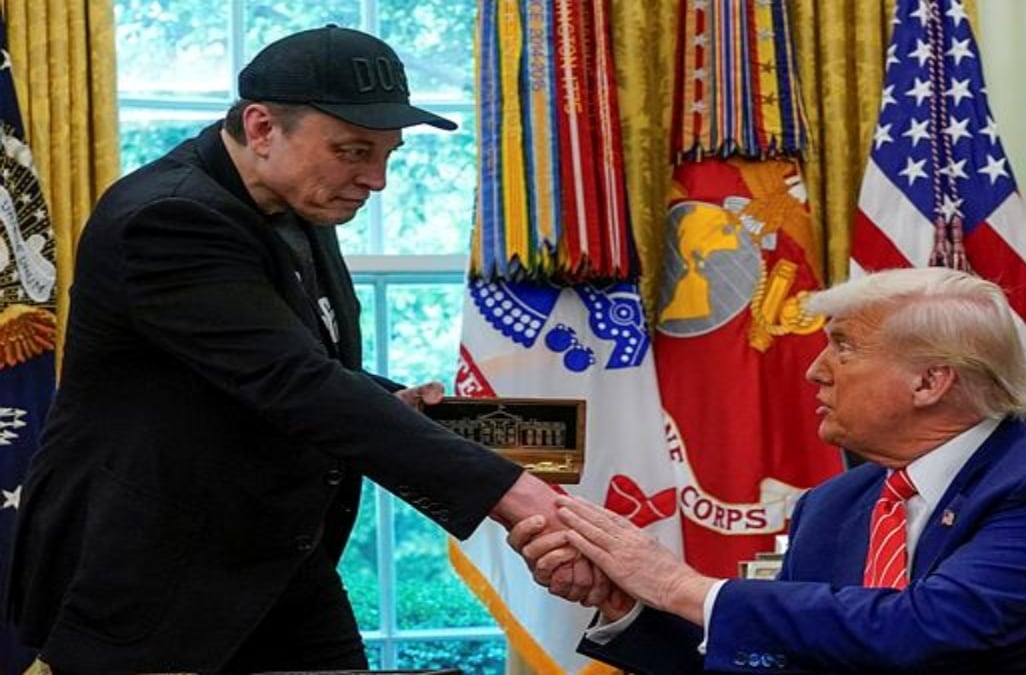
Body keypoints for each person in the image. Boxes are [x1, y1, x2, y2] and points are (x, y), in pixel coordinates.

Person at [1, 26, 603, 673]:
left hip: (273, 556)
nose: (376, 179)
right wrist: (517, 494)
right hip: (149, 572)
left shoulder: (293, 199)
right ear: (262, 128)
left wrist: (393, 404)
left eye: (387, 154)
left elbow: (293, 361)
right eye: (353, 151)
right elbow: (295, 383)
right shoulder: (168, 217)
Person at [514, 266, 1026, 673]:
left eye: (842, 347)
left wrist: (678, 582)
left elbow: (932, 631)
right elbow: (783, 657)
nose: (815, 370)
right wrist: (631, 601)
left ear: (930, 381)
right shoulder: (835, 505)